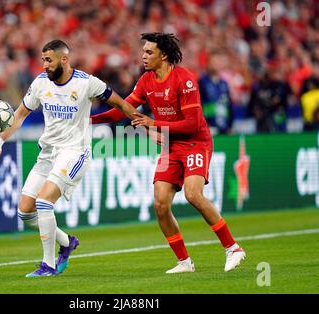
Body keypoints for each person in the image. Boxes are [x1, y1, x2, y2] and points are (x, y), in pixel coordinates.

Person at [91, 33, 245, 273]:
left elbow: (192, 124)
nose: (143, 56)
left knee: (193, 194)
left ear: (163, 55)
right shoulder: (146, 81)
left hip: (195, 143)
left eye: (149, 52)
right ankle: (184, 262)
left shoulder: (185, 80)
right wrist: (88, 120)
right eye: (143, 51)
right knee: (161, 204)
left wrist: (154, 124)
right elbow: (124, 108)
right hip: (170, 147)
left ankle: (232, 248)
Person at [0, 40, 138, 277]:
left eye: (49, 60)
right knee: (25, 213)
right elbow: (19, 116)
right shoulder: (39, 84)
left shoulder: (87, 83)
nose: (45, 65)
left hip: (74, 152)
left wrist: (147, 124)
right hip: (48, 153)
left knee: (44, 202)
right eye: (43, 60)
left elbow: (120, 103)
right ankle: (67, 242)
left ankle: (48, 265)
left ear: (64, 60)